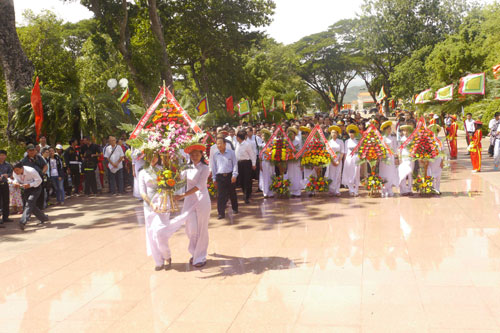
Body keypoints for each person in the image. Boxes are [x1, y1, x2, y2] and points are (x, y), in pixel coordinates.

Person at [138, 154, 180, 270]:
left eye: (155, 156)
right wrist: (151, 204)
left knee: (160, 233)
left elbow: (170, 187)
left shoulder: (163, 170)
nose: (153, 159)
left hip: (163, 204)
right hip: (149, 206)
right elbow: (142, 192)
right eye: (150, 156)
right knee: (151, 233)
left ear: (158, 157)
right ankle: (158, 260)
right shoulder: (142, 172)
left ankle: (167, 256)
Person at [174, 144, 211, 267]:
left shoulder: (205, 168)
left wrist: (182, 195)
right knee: (191, 228)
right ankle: (194, 252)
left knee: (201, 229)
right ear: (189, 155)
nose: (195, 156)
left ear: (201, 155)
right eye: (192, 154)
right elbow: (178, 179)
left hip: (202, 200)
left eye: (197, 154)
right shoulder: (187, 168)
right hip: (189, 201)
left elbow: (199, 186)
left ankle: (200, 257)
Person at [12, 163, 49, 231]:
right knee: (31, 205)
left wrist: (30, 185)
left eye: (17, 170)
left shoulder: (31, 171)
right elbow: (16, 179)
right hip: (26, 189)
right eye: (14, 171)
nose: (16, 172)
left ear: (22, 168)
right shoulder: (15, 172)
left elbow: (39, 180)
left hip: (36, 188)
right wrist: (15, 182)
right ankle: (43, 218)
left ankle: (22, 221)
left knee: (29, 202)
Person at [211, 137, 238, 219]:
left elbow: (235, 164)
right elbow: (214, 167)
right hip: (220, 177)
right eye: (217, 144)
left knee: (232, 193)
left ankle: (235, 208)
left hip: (230, 176)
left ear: (225, 144)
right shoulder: (215, 155)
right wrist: (214, 178)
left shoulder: (231, 153)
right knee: (221, 196)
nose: (219, 145)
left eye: (220, 143)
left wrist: (234, 175)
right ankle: (221, 213)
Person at [22, 144, 48, 210]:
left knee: (41, 195)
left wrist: (42, 173)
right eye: (30, 150)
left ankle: (40, 211)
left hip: (39, 179)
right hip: (30, 181)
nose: (32, 152)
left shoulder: (39, 157)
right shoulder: (24, 161)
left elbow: (45, 166)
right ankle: (28, 212)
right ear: (27, 151)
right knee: (30, 197)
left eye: (33, 150)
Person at [235, 130, 256, 204]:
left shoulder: (247, 144)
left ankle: (247, 196)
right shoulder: (237, 144)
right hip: (239, 163)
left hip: (246, 163)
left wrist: (254, 164)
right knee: (241, 179)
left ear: (238, 137)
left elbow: (252, 154)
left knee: (247, 180)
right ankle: (245, 192)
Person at [379, 121, 399, 197]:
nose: (389, 130)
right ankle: (384, 189)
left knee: (390, 173)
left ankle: (390, 188)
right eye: (388, 129)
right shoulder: (381, 138)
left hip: (391, 157)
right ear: (384, 130)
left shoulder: (393, 138)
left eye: (390, 129)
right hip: (383, 158)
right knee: (383, 173)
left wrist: (396, 157)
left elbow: (395, 148)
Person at [342, 124, 361, 196]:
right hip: (349, 158)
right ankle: (351, 189)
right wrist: (344, 161)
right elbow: (345, 152)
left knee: (356, 173)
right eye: (350, 133)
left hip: (356, 158)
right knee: (349, 173)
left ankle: (356, 190)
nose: (351, 135)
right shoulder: (346, 141)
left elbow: (360, 151)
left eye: (352, 133)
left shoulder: (358, 141)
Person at [325, 126, 344, 197]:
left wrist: (339, 161)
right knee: (331, 174)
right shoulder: (328, 142)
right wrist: (332, 161)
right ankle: (331, 190)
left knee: (338, 175)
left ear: (337, 134)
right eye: (332, 132)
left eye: (335, 133)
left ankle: (337, 190)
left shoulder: (341, 141)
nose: (334, 134)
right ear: (330, 133)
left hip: (338, 160)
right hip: (331, 160)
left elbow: (342, 152)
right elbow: (327, 152)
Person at [286, 127, 303, 198]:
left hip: (297, 160)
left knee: (297, 175)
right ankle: (291, 191)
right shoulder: (287, 141)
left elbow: (301, 151)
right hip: (290, 161)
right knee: (290, 175)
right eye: (289, 134)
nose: (291, 135)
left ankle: (297, 192)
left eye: (292, 134)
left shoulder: (298, 140)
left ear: (295, 134)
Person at [427, 124, 444, 194]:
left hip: (438, 159)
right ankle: (432, 188)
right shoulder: (429, 140)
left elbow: (442, 151)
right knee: (431, 174)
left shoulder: (440, 141)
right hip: (431, 160)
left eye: (436, 131)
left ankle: (438, 188)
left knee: (438, 174)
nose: (434, 132)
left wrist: (442, 161)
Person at [398, 124, 414, 196]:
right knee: (404, 173)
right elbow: (399, 150)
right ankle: (403, 190)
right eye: (404, 131)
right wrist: (400, 158)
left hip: (411, 157)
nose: (405, 132)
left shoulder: (412, 138)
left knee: (410, 173)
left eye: (407, 131)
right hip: (404, 157)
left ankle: (409, 189)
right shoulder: (401, 139)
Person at [259, 129, 275, 198]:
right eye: (262, 136)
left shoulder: (272, 144)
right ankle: (265, 192)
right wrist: (260, 164)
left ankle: (271, 192)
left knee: (271, 176)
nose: (263, 137)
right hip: (264, 162)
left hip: (271, 162)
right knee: (265, 177)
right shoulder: (261, 145)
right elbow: (259, 156)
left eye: (265, 135)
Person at [0, 150, 13, 226]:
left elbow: (11, 173)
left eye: (3, 155)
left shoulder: (8, 165)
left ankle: (6, 217)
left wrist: (7, 175)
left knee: (6, 200)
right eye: (0, 155)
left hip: (5, 184)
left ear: (5, 156)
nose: (1, 157)